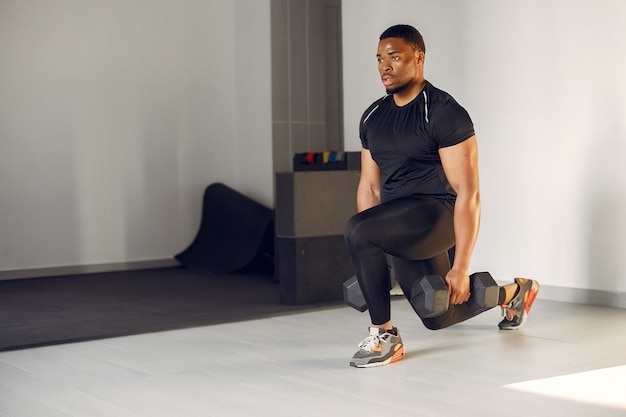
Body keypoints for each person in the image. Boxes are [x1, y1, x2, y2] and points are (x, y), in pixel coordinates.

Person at [344, 24, 539, 368]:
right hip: (399, 221)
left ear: (418, 58)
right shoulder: (373, 117)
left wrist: (462, 265)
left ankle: (384, 336)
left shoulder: (443, 112)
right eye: (379, 59)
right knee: (437, 314)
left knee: (358, 230)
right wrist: (380, 252)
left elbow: (468, 191)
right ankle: (516, 293)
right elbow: (370, 188)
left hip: (438, 215)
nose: (384, 66)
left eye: (394, 57)